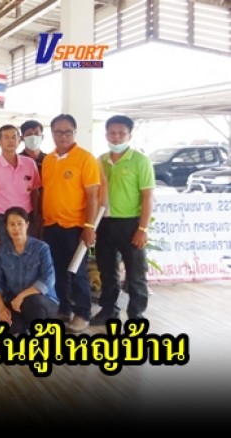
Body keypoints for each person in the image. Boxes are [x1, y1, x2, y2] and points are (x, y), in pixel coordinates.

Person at [92, 115, 155, 325]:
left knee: (135, 273)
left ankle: (136, 315)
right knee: (107, 271)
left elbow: (148, 197)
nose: (116, 137)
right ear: (106, 135)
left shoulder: (140, 161)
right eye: (112, 133)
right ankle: (109, 311)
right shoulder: (100, 161)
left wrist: (142, 228)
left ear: (129, 135)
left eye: (121, 133)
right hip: (105, 223)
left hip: (130, 224)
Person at [41, 114, 101, 333]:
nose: (63, 136)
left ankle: (82, 313)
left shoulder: (85, 159)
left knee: (76, 272)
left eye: (67, 132)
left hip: (75, 227)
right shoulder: (49, 160)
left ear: (75, 133)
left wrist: (89, 227)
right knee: (57, 270)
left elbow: (93, 196)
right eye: (58, 132)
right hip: (51, 225)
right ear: (52, 133)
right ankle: (64, 308)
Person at [0, 207, 58, 334]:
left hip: (43, 302)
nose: (16, 228)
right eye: (12, 224)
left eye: (20, 224)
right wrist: (1, 308)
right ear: (6, 227)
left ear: (27, 225)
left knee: (33, 302)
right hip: (16, 303)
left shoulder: (42, 248)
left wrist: (21, 296)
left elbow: (48, 280)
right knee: (6, 325)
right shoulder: (2, 252)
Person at [0, 124, 40, 251]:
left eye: (14, 137)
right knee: (6, 254)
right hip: (2, 219)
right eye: (6, 137)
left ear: (19, 140)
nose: (11, 141)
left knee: (28, 253)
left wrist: (36, 218)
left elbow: (35, 193)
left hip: (26, 217)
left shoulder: (30, 163)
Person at [20, 119, 47, 238]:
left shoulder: (50, 160)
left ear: (42, 137)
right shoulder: (17, 161)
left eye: (36, 133)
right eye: (29, 134)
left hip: (47, 211)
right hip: (24, 212)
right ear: (22, 138)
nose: (33, 137)